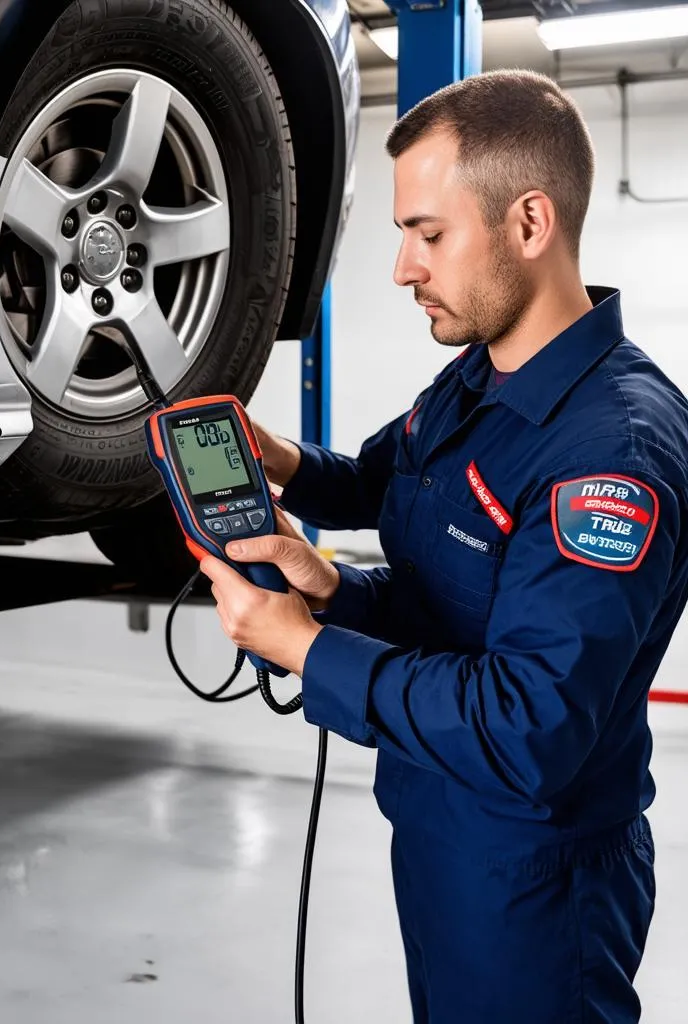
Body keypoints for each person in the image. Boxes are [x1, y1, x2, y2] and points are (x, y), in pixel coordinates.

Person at [199, 69, 688, 1023]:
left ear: (529, 223)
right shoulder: (474, 381)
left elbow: (527, 725)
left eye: (428, 234)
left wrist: (305, 647)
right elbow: (396, 505)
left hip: (535, 882)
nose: (403, 269)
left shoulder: (611, 457)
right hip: (440, 831)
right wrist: (319, 560)